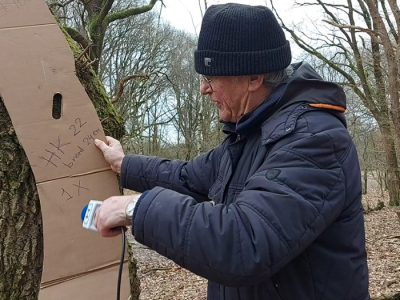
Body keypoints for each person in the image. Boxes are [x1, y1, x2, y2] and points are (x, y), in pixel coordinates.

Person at [93, 3, 370, 300]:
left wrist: (136, 209)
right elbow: (188, 177)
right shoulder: (252, 135)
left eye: (211, 78)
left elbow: (245, 242)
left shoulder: (314, 141)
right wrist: (124, 164)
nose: (203, 89)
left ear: (253, 78)